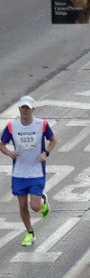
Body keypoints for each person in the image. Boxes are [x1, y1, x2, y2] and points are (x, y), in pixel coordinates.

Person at [3, 95, 56, 247]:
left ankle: (43, 201)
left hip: (36, 171)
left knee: (35, 206)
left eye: (28, 108)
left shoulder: (42, 125)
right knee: (22, 206)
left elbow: (53, 140)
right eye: (22, 107)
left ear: (33, 109)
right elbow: (2, 144)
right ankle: (30, 232)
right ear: (19, 108)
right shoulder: (12, 126)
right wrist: (9, 153)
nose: (25, 110)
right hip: (19, 173)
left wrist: (45, 153)